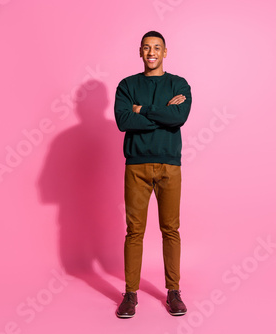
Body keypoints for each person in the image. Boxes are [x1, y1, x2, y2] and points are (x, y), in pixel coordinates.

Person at [114, 31, 192, 318]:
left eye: (157, 48)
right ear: (140, 51)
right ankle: (130, 294)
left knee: (170, 229)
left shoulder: (179, 84)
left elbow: (178, 118)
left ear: (165, 52)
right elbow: (124, 121)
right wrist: (162, 113)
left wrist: (143, 110)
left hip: (170, 165)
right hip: (136, 165)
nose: (151, 52)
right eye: (147, 47)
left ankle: (173, 292)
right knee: (135, 231)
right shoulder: (127, 85)